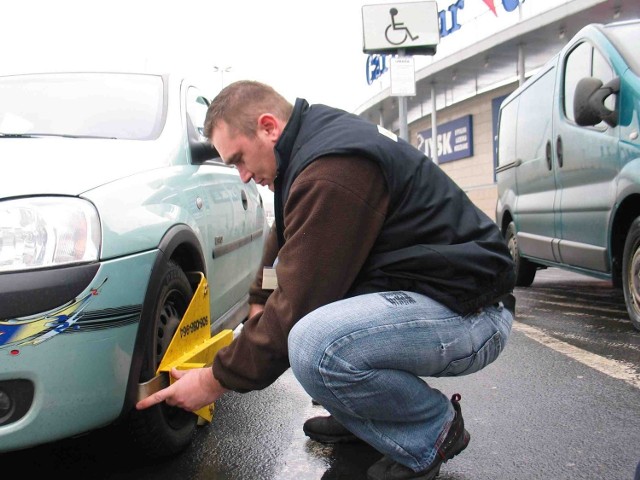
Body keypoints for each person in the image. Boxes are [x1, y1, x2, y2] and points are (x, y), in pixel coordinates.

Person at [136, 80, 516, 480]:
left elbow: (296, 307)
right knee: (306, 326)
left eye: (239, 160)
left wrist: (212, 381)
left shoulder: (332, 168)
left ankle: (431, 430)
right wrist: (260, 298)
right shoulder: (308, 147)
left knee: (313, 344)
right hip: (434, 296)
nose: (243, 176)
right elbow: (286, 232)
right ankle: (367, 419)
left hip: (473, 314)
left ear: (268, 127)